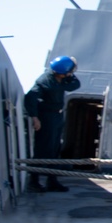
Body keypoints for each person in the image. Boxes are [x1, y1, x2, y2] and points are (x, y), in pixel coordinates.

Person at [23, 55, 81, 193]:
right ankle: (33, 181)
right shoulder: (44, 81)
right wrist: (35, 117)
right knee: (43, 149)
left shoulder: (62, 78)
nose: (71, 73)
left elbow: (75, 85)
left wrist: (69, 76)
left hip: (57, 116)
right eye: (70, 71)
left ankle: (52, 181)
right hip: (47, 118)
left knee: (55, 149)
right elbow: (30, 98)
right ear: (63, 71)